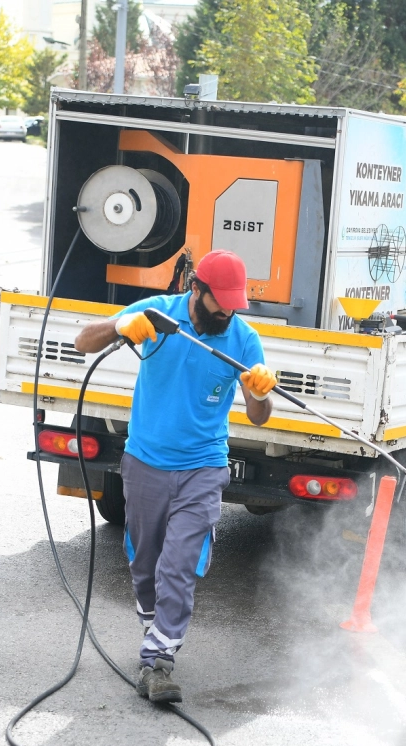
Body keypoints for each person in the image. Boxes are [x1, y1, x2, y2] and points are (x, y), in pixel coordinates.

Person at [72, 250, 278, 704]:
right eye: (218, 301)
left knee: (179, 563)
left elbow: (259, 416)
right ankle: (153, 622)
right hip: (145, 461)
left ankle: (159, 660)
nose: (226, 311)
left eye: (233, 304)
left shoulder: (243, 339)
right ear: (196, 289)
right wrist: (120, 327)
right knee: (145, 562)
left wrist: (261, 394)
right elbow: (83, 341)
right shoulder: (157, 315)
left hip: (204, 466)